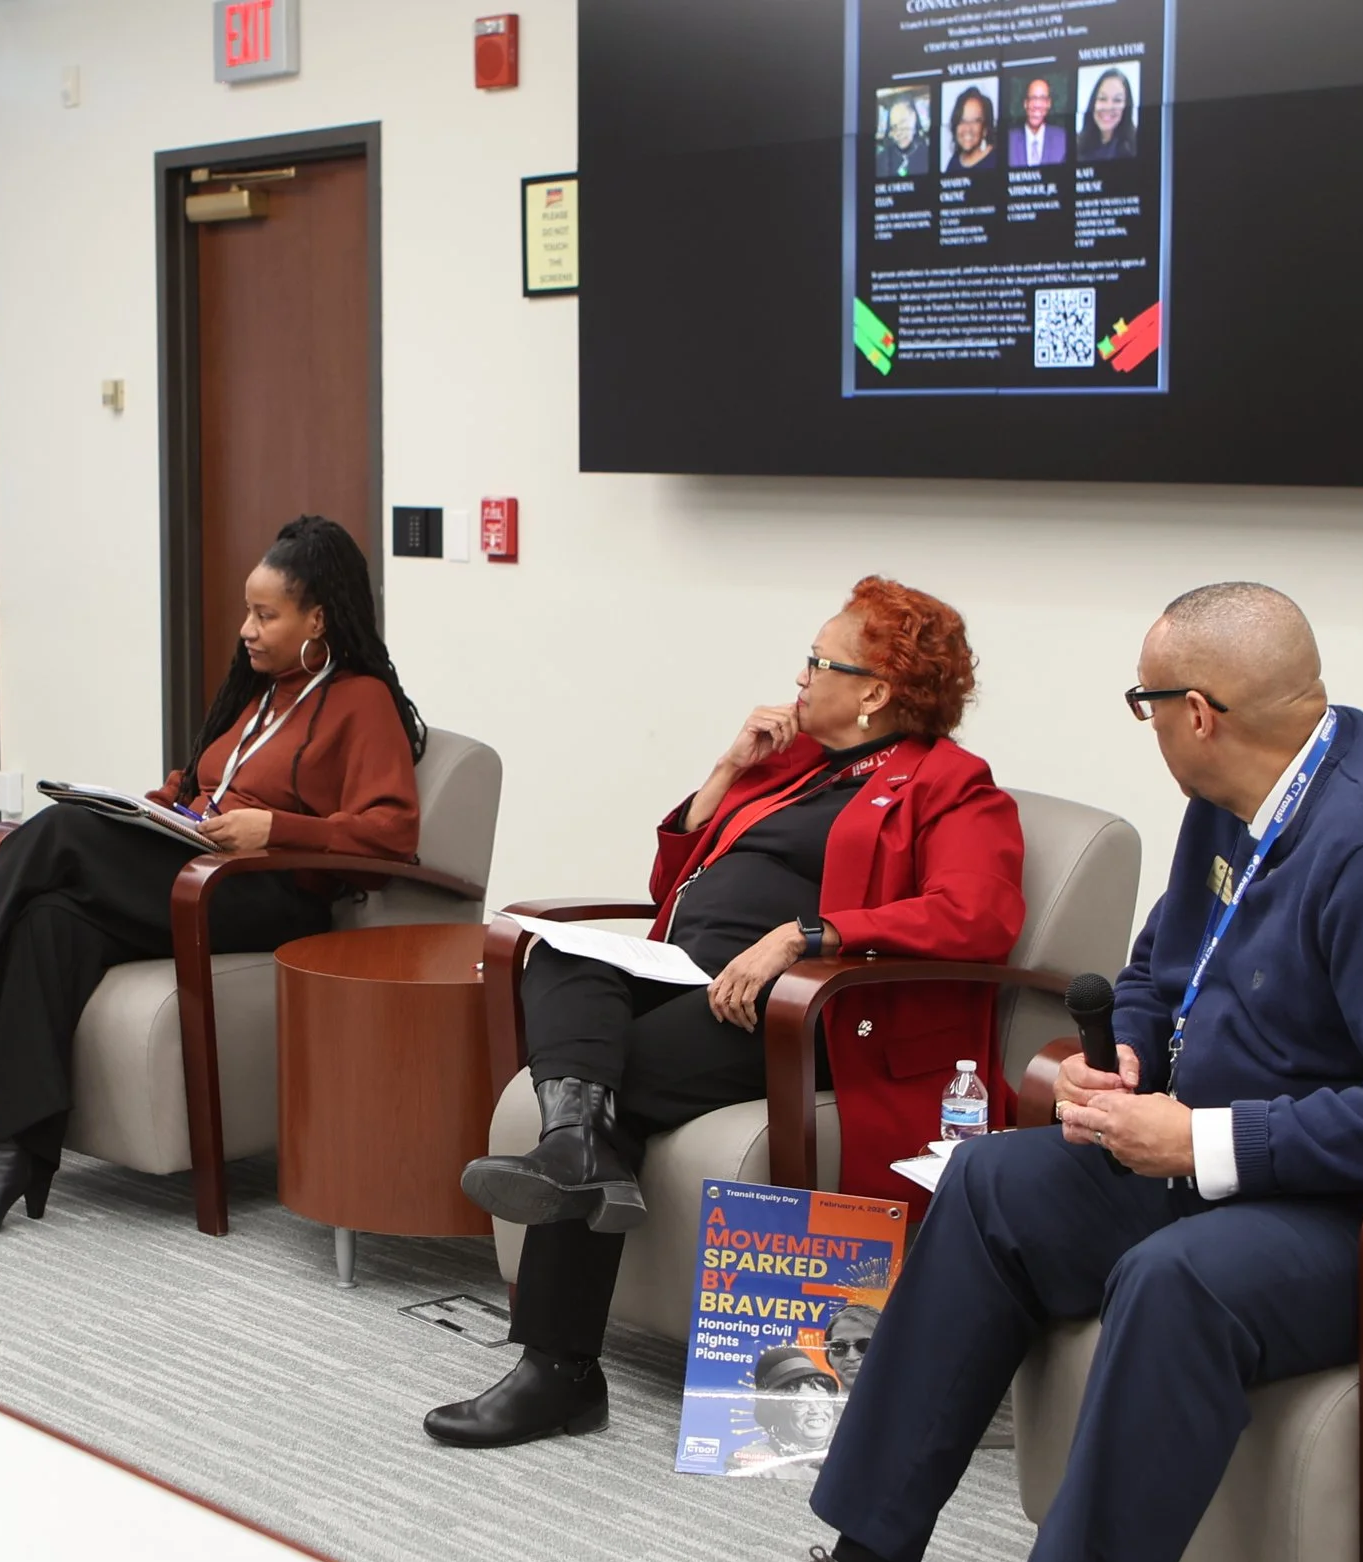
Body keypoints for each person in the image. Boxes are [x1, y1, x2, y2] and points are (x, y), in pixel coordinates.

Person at [678, 583, 1363, 1562]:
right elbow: (1156, 971)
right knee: (995, 1184)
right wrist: (1124, 1052)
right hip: (1310, 1164)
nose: (1143, 725)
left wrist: (1202, 1141)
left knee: (1180, 1278)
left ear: (1196, 711)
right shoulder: (1233, 802)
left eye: (1142, 701)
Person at [423, 578, 1024, 1449]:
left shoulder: (953, 786)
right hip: (682, 972)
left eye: (820, 660)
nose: (802, 674)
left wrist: (806, 936)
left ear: (876, 691)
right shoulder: (790, 767)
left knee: (608, 1083)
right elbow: (673, 889)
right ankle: (575, 1150)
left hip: (790, 1015)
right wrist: (727, 767)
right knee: (555, 950)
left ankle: (555, 1371)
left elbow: (979, 915)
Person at [0, 515, 424, 1240]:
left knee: (60, 835)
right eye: (246, 612)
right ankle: (11, 1158)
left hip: (266, 896)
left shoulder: (361, 700)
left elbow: (391, 836)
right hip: (200, 868)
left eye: (265, 614)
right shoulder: (261, 694)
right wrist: (158, 810)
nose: (247, 629)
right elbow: (206, 786)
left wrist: (278, 829)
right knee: (47, 923)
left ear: (317, 617)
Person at [1076, 66, 1138, 162]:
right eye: (1102, 99)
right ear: (1093, 103)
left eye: (1117, 100)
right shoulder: (1077, 144)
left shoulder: (1135, 146)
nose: (1108, 107)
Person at [1007, 77, 1067, 166]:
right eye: (1033, 98)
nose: (1037, 105)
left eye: (1043, 98)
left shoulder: (1063, 139)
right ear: (1025, 103)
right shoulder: (1009, 139)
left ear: (1049, 104)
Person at [943, 87, 1000, 173]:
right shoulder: (953, 163)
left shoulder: (996, 161)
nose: (968, 128)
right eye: (962, 121)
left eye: (975, 121)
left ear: (985, 128)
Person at [873, 97, 931, 179]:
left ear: (913, 117)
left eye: (903, 122)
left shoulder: (930, 154)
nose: (899, 132)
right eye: (894, 126)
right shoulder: (880, 160)